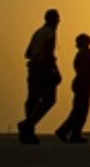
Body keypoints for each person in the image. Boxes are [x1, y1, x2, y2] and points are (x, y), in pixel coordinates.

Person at [19, 8, 61, 144]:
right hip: (43, 69)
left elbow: (28, 53)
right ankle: (27, 124)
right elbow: (49, 53)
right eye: (57, 18)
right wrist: (55, 70)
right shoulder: (50, 33)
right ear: (51, 19)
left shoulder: (37, 32)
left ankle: (28, 133)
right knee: (49, 99)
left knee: (33, 99)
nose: (58, 21)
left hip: (33, 68)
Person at [55, 33, 90, 143]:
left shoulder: (85, 53)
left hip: (84, 84)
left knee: (79, 111)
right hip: (82, 85)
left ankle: (71, 132)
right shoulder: (83, 54)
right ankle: (69, 132)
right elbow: (83, 71)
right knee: (79, 111)